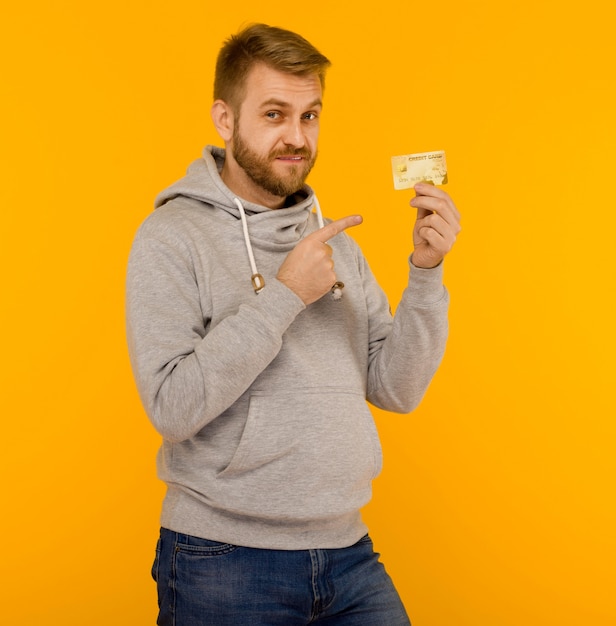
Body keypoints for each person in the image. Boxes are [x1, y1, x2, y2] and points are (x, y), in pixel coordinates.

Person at [126, 23, 461, 626]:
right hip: (221, 559)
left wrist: (426, 273)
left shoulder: (336, 245)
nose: (297, 137)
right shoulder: (173, 236)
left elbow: (396, 389)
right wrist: (284, 296)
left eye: (310, 116)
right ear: (225, 120)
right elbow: (171, 407)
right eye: (276, 113)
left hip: (348, 553)